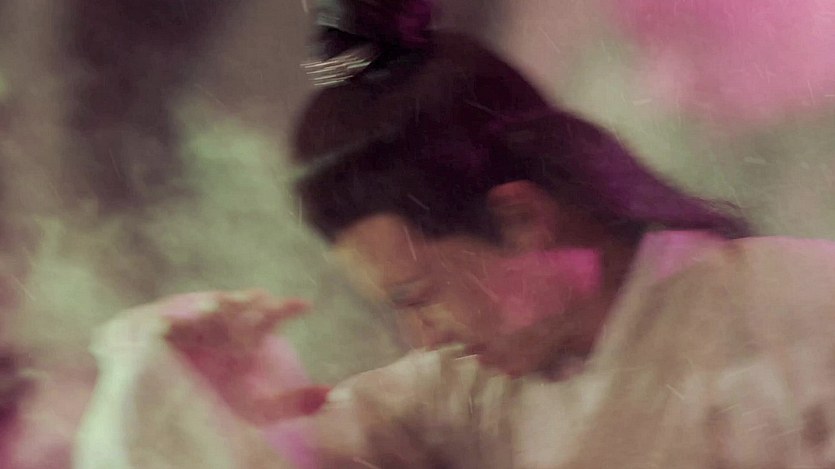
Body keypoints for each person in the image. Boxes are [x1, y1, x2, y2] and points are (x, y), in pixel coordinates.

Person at [75, 1, 835, 468]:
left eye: (420, 294)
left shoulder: (806, 308)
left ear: (521, 219)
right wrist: (198, 388)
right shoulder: (457, 392)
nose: (422, 337)